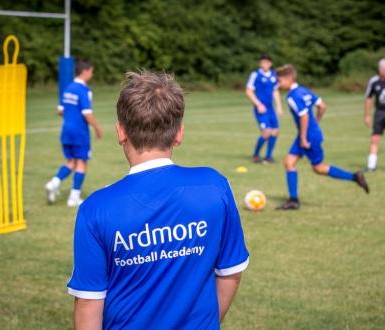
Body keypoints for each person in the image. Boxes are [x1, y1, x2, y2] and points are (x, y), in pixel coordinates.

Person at [67, 71, 249, 329]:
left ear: (120, 132)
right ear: (179, 134)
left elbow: (88, 304)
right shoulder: (214, 185)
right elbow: (231, 273)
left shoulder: (95, 209)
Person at [276, 64, 369, 210]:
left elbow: (305, 116)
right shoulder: (304, 91)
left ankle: (354, 177)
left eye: (280, 80)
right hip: (310, 133)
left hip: (307, 136)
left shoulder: (292, 97)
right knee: (289, 162)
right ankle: (293, 200)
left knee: (318, 168)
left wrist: (304, 137)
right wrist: (316, 123)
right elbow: (322, 106)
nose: (278, 84)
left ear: (288, 78)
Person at [45, 59, 102, 207]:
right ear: (85, 71)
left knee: (71, 162)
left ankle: (53, 183)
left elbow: (60, 110)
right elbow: (87, 114)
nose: (92, 74)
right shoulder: (84, 90)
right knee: (82, 162)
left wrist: (71, 116)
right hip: (79, 132)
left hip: (66, 131)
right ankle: (73, 198)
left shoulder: (68, 88)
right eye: (91, 71)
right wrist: (97, 128)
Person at [246, 53, 283, 163]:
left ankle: (268, 156)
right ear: (260, 63)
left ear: (270, 63)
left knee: (275, 131)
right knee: (266, 132)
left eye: (267, 62)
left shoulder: (273, 75)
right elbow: (248, 91)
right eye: (263, 62)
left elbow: (275, 91)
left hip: (270, 108)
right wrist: (258, 104)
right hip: (261, 109)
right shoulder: (255, 75)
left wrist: (279, 106)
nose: (265, 64)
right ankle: (256, 155)